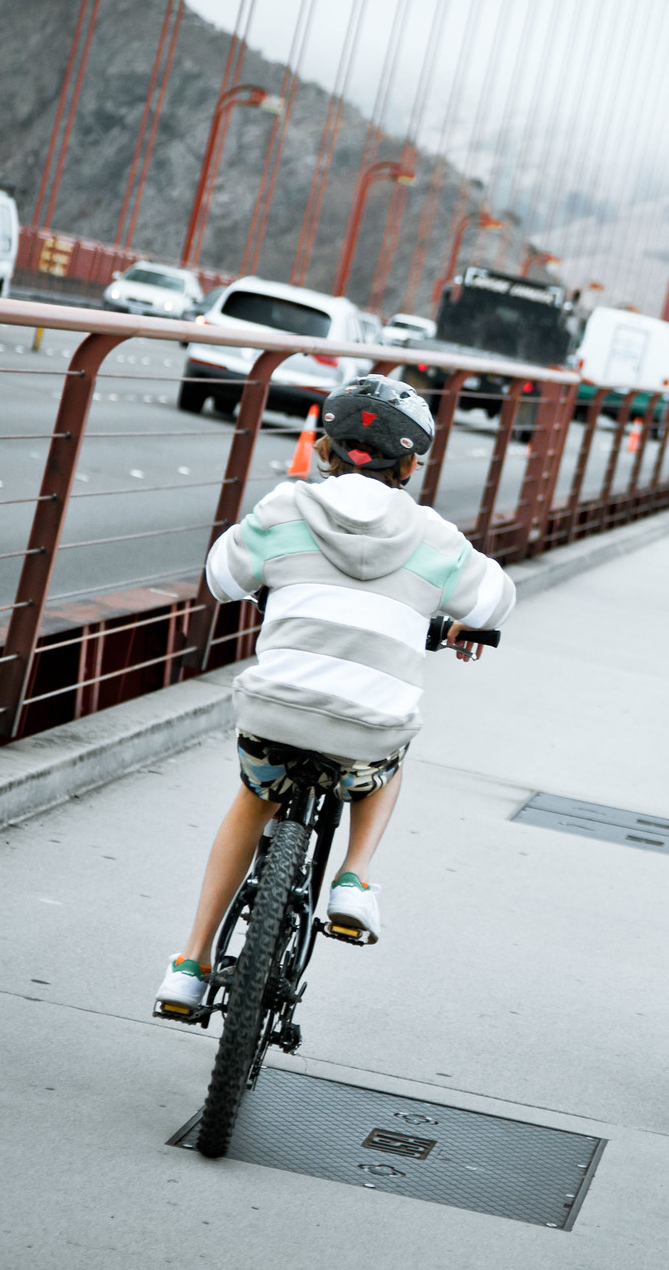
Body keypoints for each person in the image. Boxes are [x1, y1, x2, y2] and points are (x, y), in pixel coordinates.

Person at [156, 375, 516, 1018]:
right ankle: (353, 878)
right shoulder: (433, 535)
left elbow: (221, 578)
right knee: (390, 750)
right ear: (410, 463)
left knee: (253, 799)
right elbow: (494, 603)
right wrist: (454, 618)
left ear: (324, 447)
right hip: (366, 732)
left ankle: (191, 965)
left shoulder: (285, 507)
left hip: (275, 712)